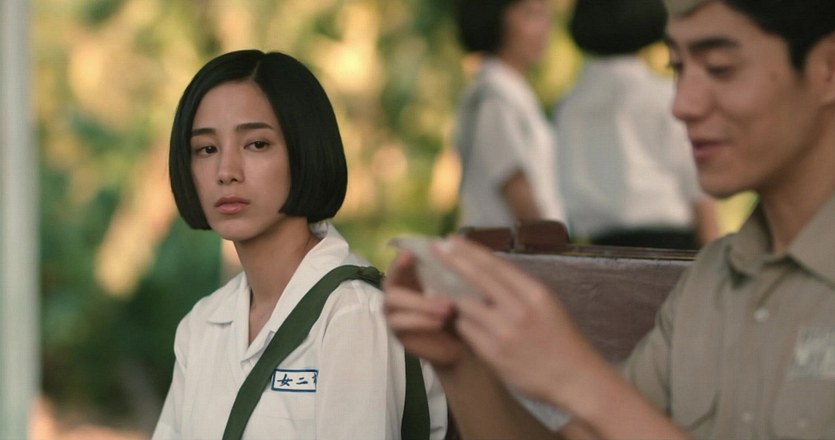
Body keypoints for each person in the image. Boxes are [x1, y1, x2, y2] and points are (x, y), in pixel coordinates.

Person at [385, 0, 835, 438]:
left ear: (828, 70)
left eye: (720, 68)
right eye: (677, 68)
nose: (682, 104)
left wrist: (578, 377)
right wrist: (461, 365)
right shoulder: (709, 284)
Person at [152, 50, 447, 440]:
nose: (226, 172)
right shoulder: (202, 325)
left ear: (304, 150)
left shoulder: (354, 315)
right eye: (206, 149)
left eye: (257, 144)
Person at [555, 0, 719, 249]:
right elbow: (695, 184)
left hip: (598, 248)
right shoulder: (662, 96)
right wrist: (714, 248)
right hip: (671, 243)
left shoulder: (569, 106)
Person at [452, 0, 567, 229]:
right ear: (496, 19)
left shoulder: (513, 90)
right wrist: (550, 243)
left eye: (545, 14)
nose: (545, 26)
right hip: (511, 246)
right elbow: (516, 188)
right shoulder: (494, 97)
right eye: (531, 14)